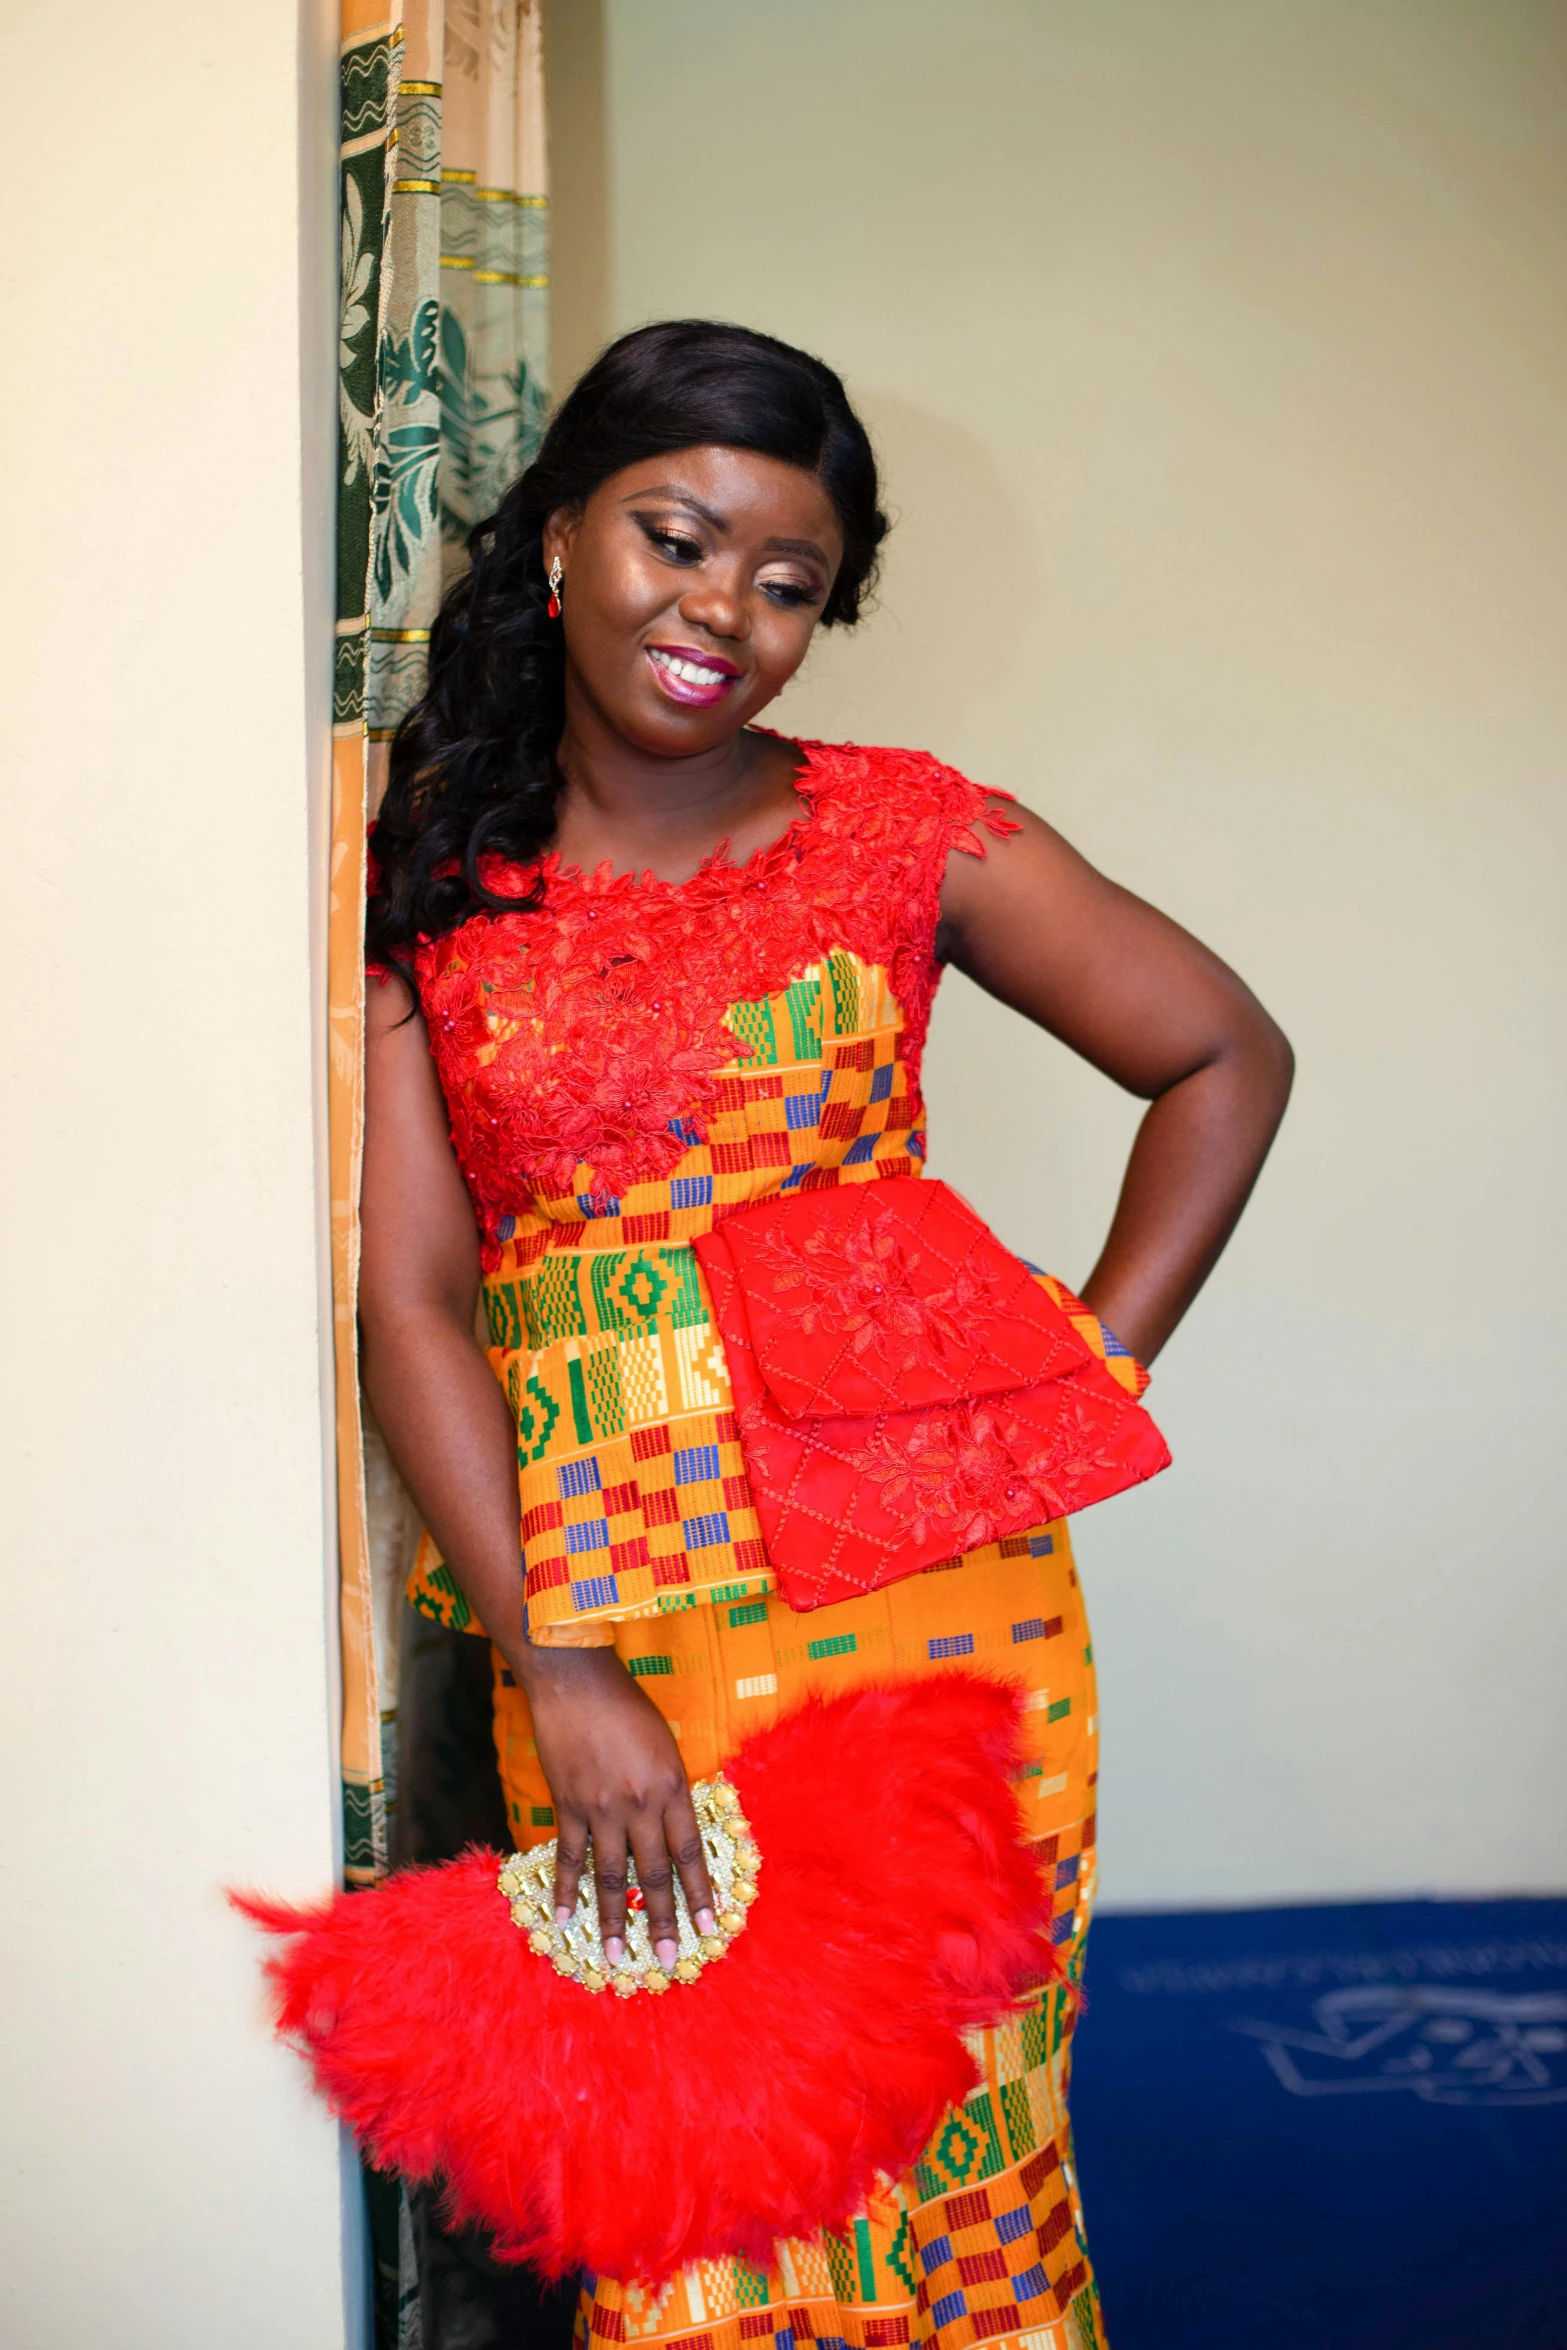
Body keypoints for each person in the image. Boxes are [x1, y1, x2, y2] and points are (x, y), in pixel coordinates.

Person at [361, 319, 1292, 2350]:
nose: (726, 613)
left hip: (940, 1615)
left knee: (959, 2146)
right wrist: (556, 1652)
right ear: (555, 546)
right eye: (676, 541)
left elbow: (1223, 1050)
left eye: (790, 584)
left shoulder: (901, 828)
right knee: (687, 2169)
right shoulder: (439, 867)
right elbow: (414, 1299)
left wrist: (1080, 1373)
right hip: (611, 1629)